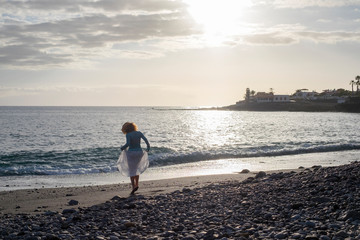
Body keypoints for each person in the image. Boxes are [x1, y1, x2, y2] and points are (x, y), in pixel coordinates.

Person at [119, 122, 150, 195]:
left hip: (131, 153)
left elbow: (128, 144)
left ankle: (133, 187)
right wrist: (148, 147)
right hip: (139, 152)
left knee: (131, 170)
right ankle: (137, 184)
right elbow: (146, 140)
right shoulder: (139, 133)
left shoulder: (128, 134)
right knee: (136, 169)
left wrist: (122, 148)